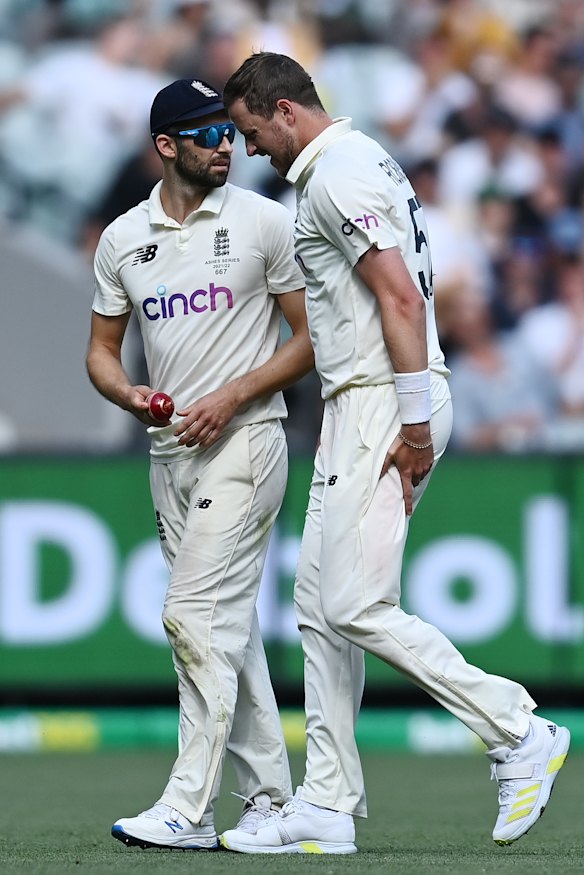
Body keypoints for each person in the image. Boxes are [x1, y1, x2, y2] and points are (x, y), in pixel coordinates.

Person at [220, 52, 571, 854]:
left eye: (249, 132)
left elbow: (402, 297)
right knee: (317, 605)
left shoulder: (336, 174)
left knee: (352, 604)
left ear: (283, 111)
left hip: (384, 397)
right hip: (368, 401)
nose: (248, 150)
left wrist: (412, 423)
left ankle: (518, 730)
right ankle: (328, 803)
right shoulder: (361, 155)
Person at [86, 76, 313, 850]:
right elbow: (101, 354)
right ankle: (271, 801)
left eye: (230, 131)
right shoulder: (124, 239)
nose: (228, 144)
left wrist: (231, 394)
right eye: (209, 133)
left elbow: (313, 339)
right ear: (166, 146)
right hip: (169, 455)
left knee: (190, 615)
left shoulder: (262, 221)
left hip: (247, 443)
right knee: (229, 632)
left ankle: (187, 806)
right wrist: (133, 396)